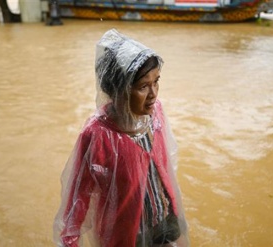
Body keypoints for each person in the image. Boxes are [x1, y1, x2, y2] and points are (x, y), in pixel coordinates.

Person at [53, 29, 189, 247]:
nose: (154, 93)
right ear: (119, 89)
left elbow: (166, 163)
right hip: (127, 232)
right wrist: (69, 240)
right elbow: (79, 194)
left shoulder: (155, 114)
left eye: (156, 81)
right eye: (143, 86)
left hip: (163, 216)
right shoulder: (97, 134)